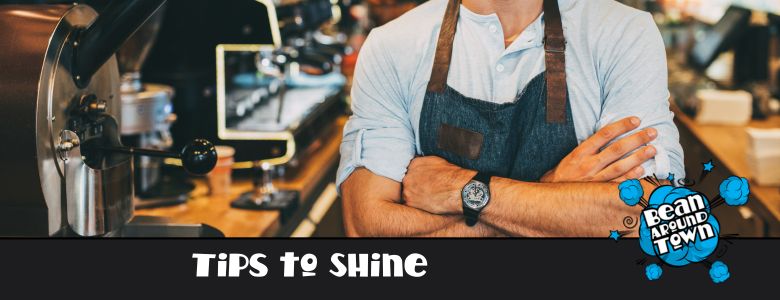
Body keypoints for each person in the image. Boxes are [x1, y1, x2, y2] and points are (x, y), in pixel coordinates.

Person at [337, 0, 685, 237]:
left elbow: (645, 215)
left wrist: (463, 190)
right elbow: (367, 228)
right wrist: (554, 202)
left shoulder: (621, 33)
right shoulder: (392, 45)